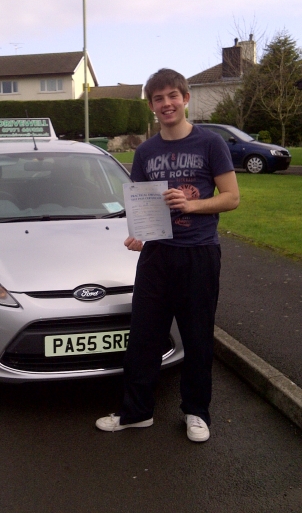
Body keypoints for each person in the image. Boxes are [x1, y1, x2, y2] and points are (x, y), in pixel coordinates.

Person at [96, 68, 240, 442]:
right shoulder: (145, 151)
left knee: (197, 338)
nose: (167, 104)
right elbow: (144, 203)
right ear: (151, 106)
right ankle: (137, 412)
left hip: (198, 255)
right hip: (157, 257)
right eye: (158, 99)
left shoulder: (210, 144)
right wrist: (140, 235)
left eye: (172, 96)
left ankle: (196, 412)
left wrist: (192, 206)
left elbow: (232, 198)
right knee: (143, 337)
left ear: (185, 99)